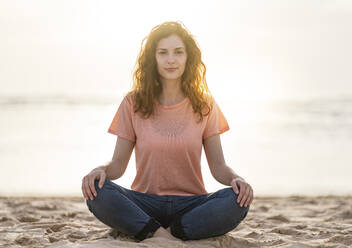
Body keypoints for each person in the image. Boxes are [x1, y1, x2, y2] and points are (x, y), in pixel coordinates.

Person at [81, 21, 254, 242]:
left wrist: (237, 179)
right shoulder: (132, 103)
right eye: (163, 53)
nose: (171, 59)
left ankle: (166, 233)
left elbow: (218, 167)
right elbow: (117, 165)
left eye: (178, 52)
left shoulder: (205, 104)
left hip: (192, 205)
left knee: (236, 199)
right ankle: (160, 233)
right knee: (97, 191)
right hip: (144, 203)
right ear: (153, 58)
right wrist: (100, 170)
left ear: (187, 57)